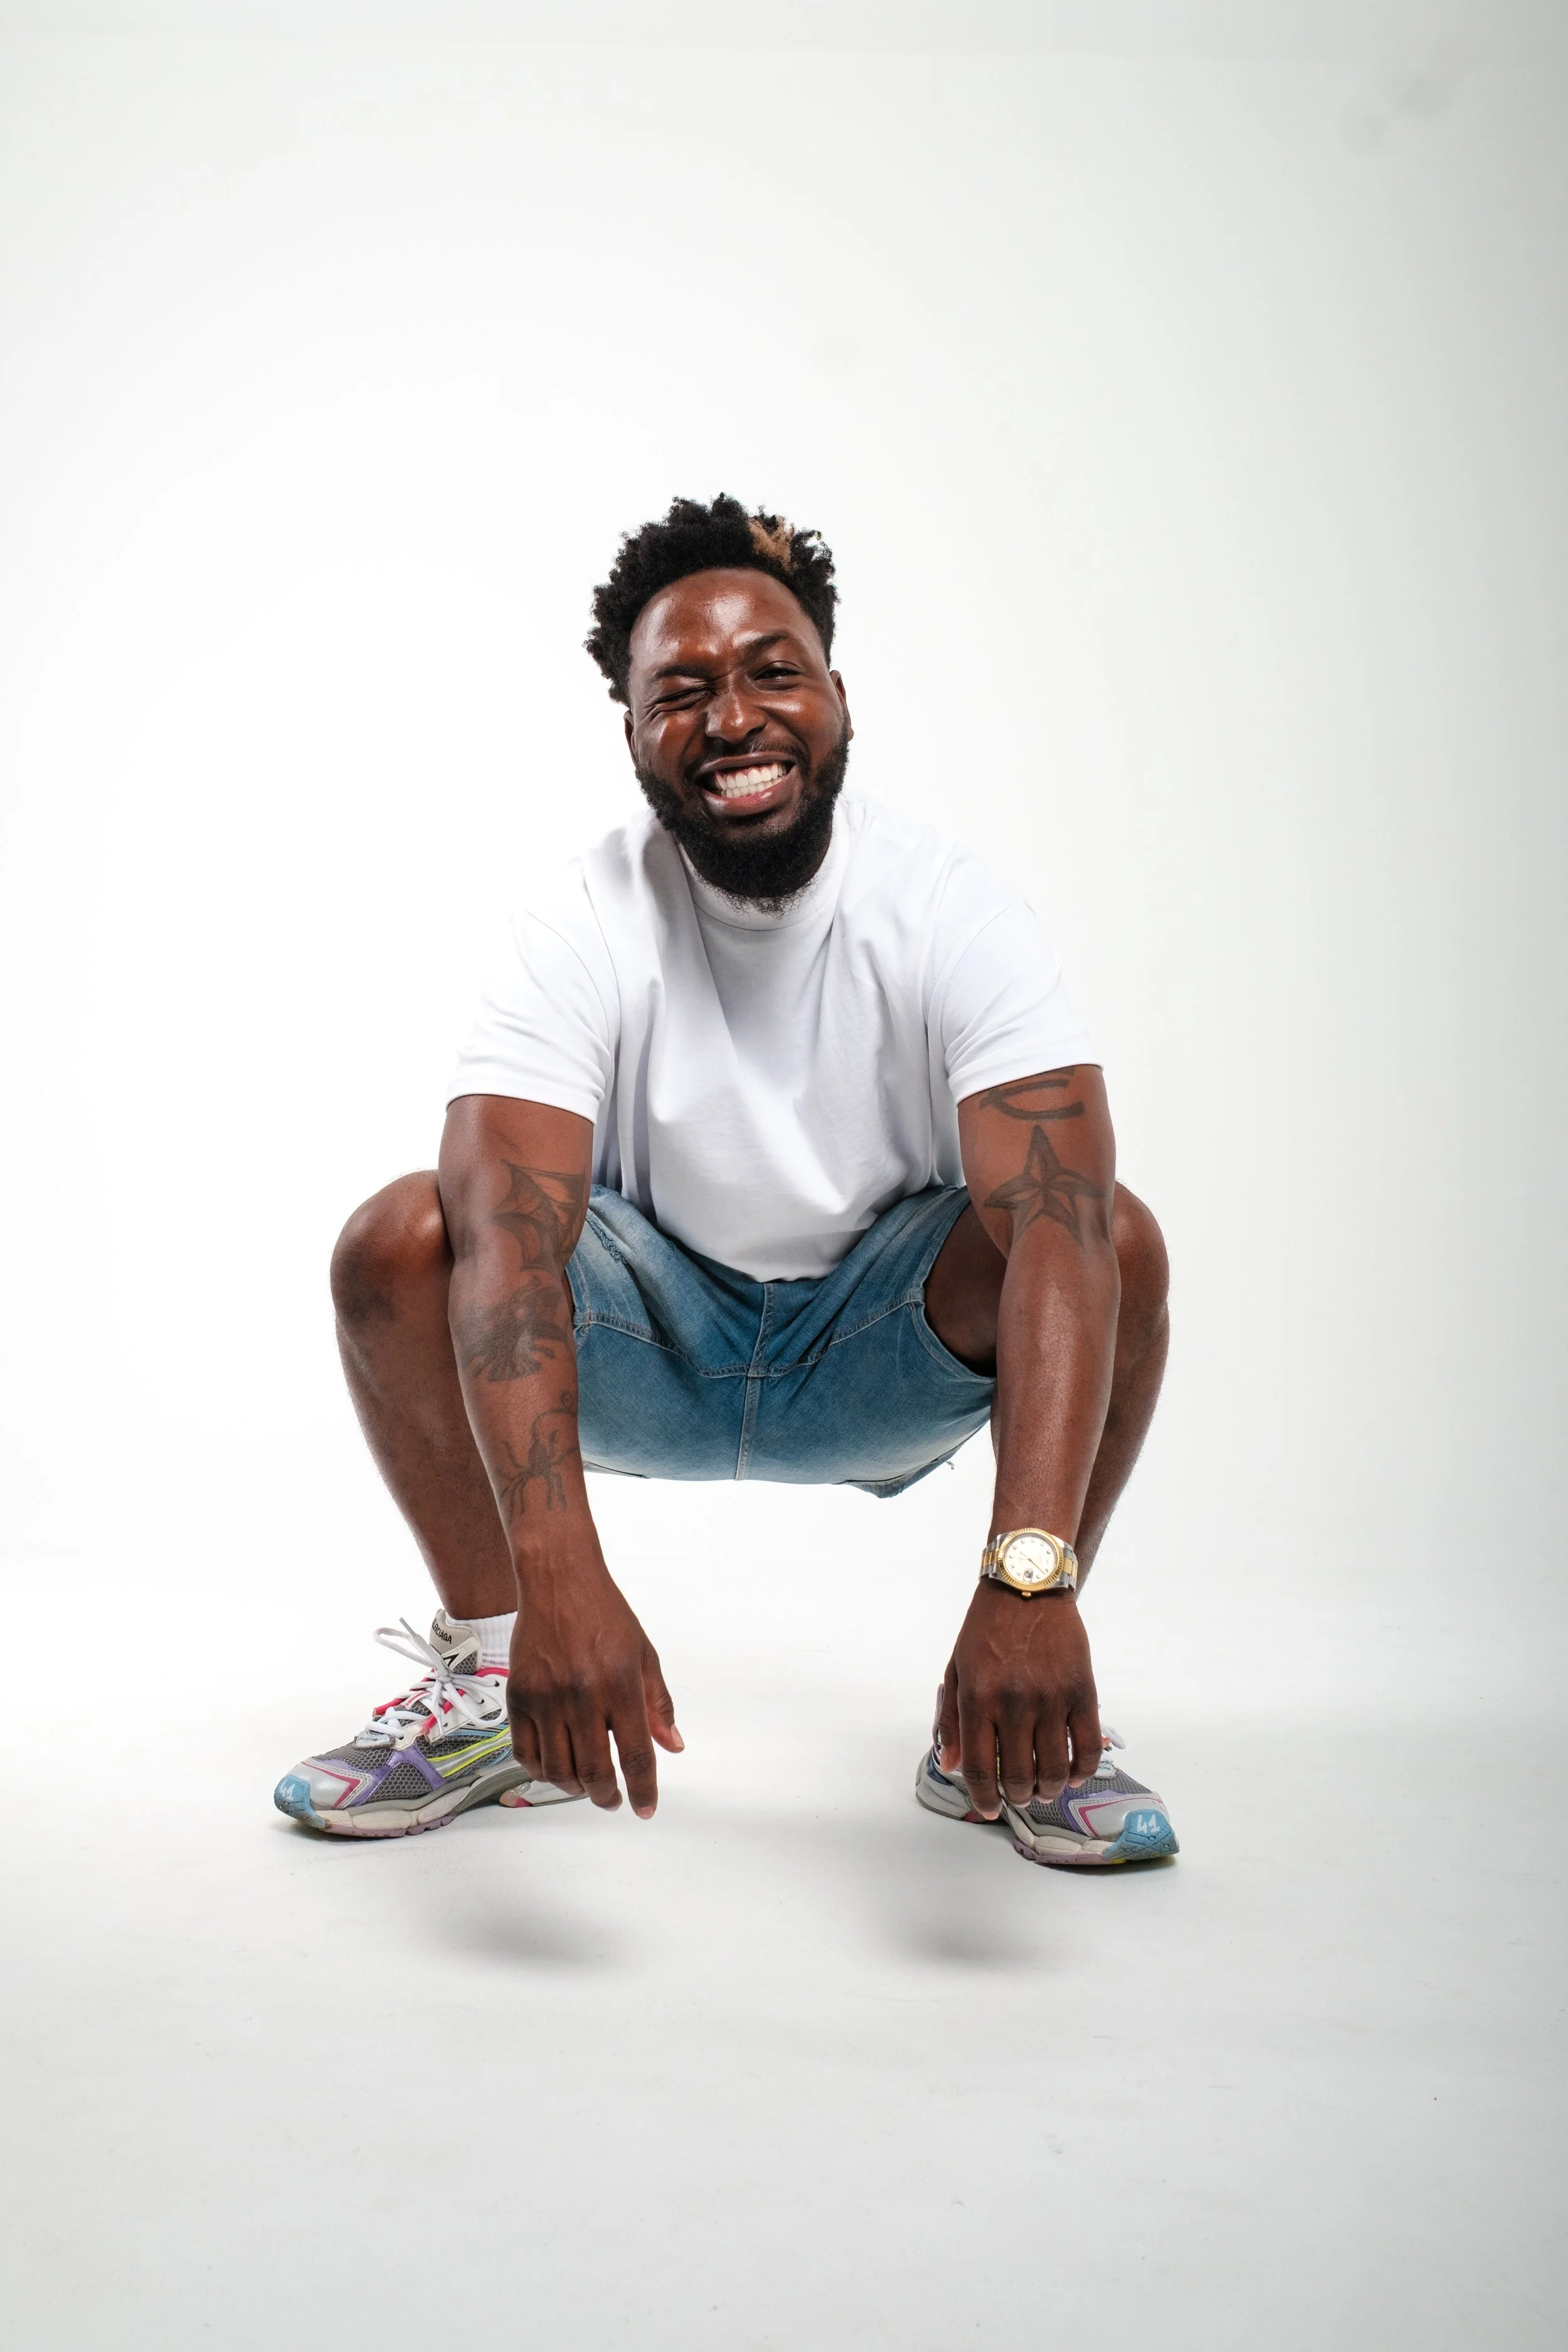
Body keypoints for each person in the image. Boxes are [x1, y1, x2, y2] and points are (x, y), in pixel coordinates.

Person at [273, 494, 1177, 1870]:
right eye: (679, 690)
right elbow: (499, 1241)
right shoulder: (582, 920)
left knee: (1106, 1230)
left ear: (834, 693)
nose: (733, 718)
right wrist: (558, 1581)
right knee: (404, 1234)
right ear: (633, 732)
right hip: (647, 1344)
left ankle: (1015, 1712)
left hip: (880, 1350)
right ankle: (488, 1682)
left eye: (771, 670)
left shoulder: (948, 908)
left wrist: (1027, 1578)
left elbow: (1056, 1236)